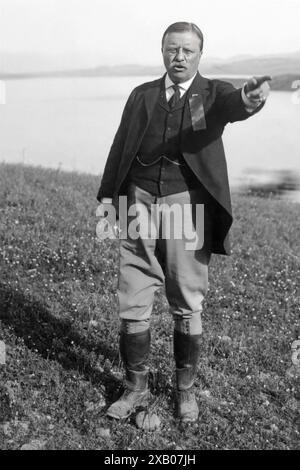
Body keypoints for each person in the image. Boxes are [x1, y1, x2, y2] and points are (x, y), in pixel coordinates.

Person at [96, 22, 270, 422]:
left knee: (186, 298)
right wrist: (108, 198)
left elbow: (233, 105)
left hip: (184, 208)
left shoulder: (213, 94)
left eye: (188, 51)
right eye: (172, 49)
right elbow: (120, 145)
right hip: (137, 203)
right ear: (162, 52)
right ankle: (135, 387)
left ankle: (184, 391)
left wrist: (249, 98)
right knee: (133, 294)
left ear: (199, 55)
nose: (179, 57)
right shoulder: (142, 95)